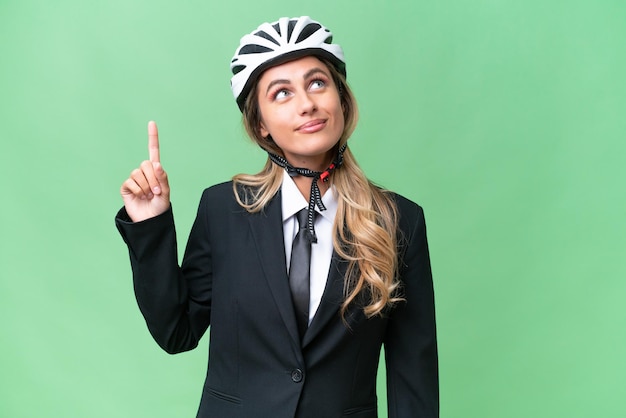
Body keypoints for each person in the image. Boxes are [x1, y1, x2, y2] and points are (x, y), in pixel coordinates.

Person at [116, 16, 438, 418]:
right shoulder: (223, 209)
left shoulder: (399, 220)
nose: (307, 104)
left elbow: (414, 378)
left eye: (317, 83)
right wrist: (150, 225)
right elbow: (176, 332)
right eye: (281, 93)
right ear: (261, 126)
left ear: (342, 98)